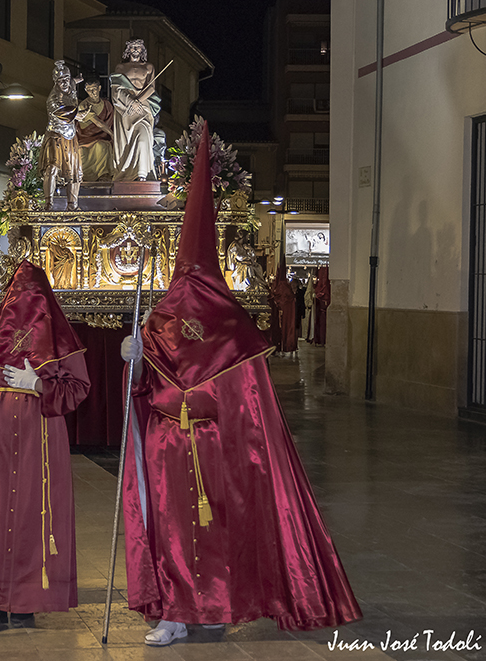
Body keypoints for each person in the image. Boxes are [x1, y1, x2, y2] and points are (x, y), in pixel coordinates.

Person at [119, 124, 360, 646]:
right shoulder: (158, 317)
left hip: (214, 445)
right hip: (166, 443)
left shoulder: (228, 323)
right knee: (171, 528)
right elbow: (141, 390)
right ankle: (174, 610)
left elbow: (254, 406)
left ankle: (216, 606)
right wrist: (132, 361)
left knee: (216, 527)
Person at [0, 260, 90, 631]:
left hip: (40, 434)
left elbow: (78, 388)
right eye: (17, 292)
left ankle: (26, 600)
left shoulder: (59, 336)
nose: (23, 300)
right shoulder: (0, 332)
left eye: (31, 293)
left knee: (33, 511)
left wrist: (38, 384)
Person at [110, 38, 161, 182]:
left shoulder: (148, 67)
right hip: (126, 108)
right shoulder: (121, 67)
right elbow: (116, 89)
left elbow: (151, 87)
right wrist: (130, 102)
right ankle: (127, 173)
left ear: (142, 49)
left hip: (143, 107)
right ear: (128, 50)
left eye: (139, 47)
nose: (136, 49)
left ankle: (142, 173)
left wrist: (138, 101)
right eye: (133, 47)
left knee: (143, 136)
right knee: (127, 143)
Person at [38, 60, 84, 211]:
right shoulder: (52, 99)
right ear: (56, 83)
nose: (64, 84)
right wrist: (78, 115)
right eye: (61, 81)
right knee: (52, 168)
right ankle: (48, 203)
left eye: (66, 80)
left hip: (70, 137)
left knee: (74, 170)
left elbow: (71, 84)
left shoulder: (71, 92)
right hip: (55, 136)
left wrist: (74, 81)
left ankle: (72, 204)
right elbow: (61, 112)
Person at [76, 75, 114, 182]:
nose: (92, 92)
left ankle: (103, 175)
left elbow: (112, 121)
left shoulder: (107, 105)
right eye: (89, 90)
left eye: (94, 89)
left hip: (102, 136)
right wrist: (112, 134)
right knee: (95, 147)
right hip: (86, 137)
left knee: (102, 146)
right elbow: (99, 123)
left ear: (99, 88)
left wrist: (113, 135)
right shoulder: (84, 105)